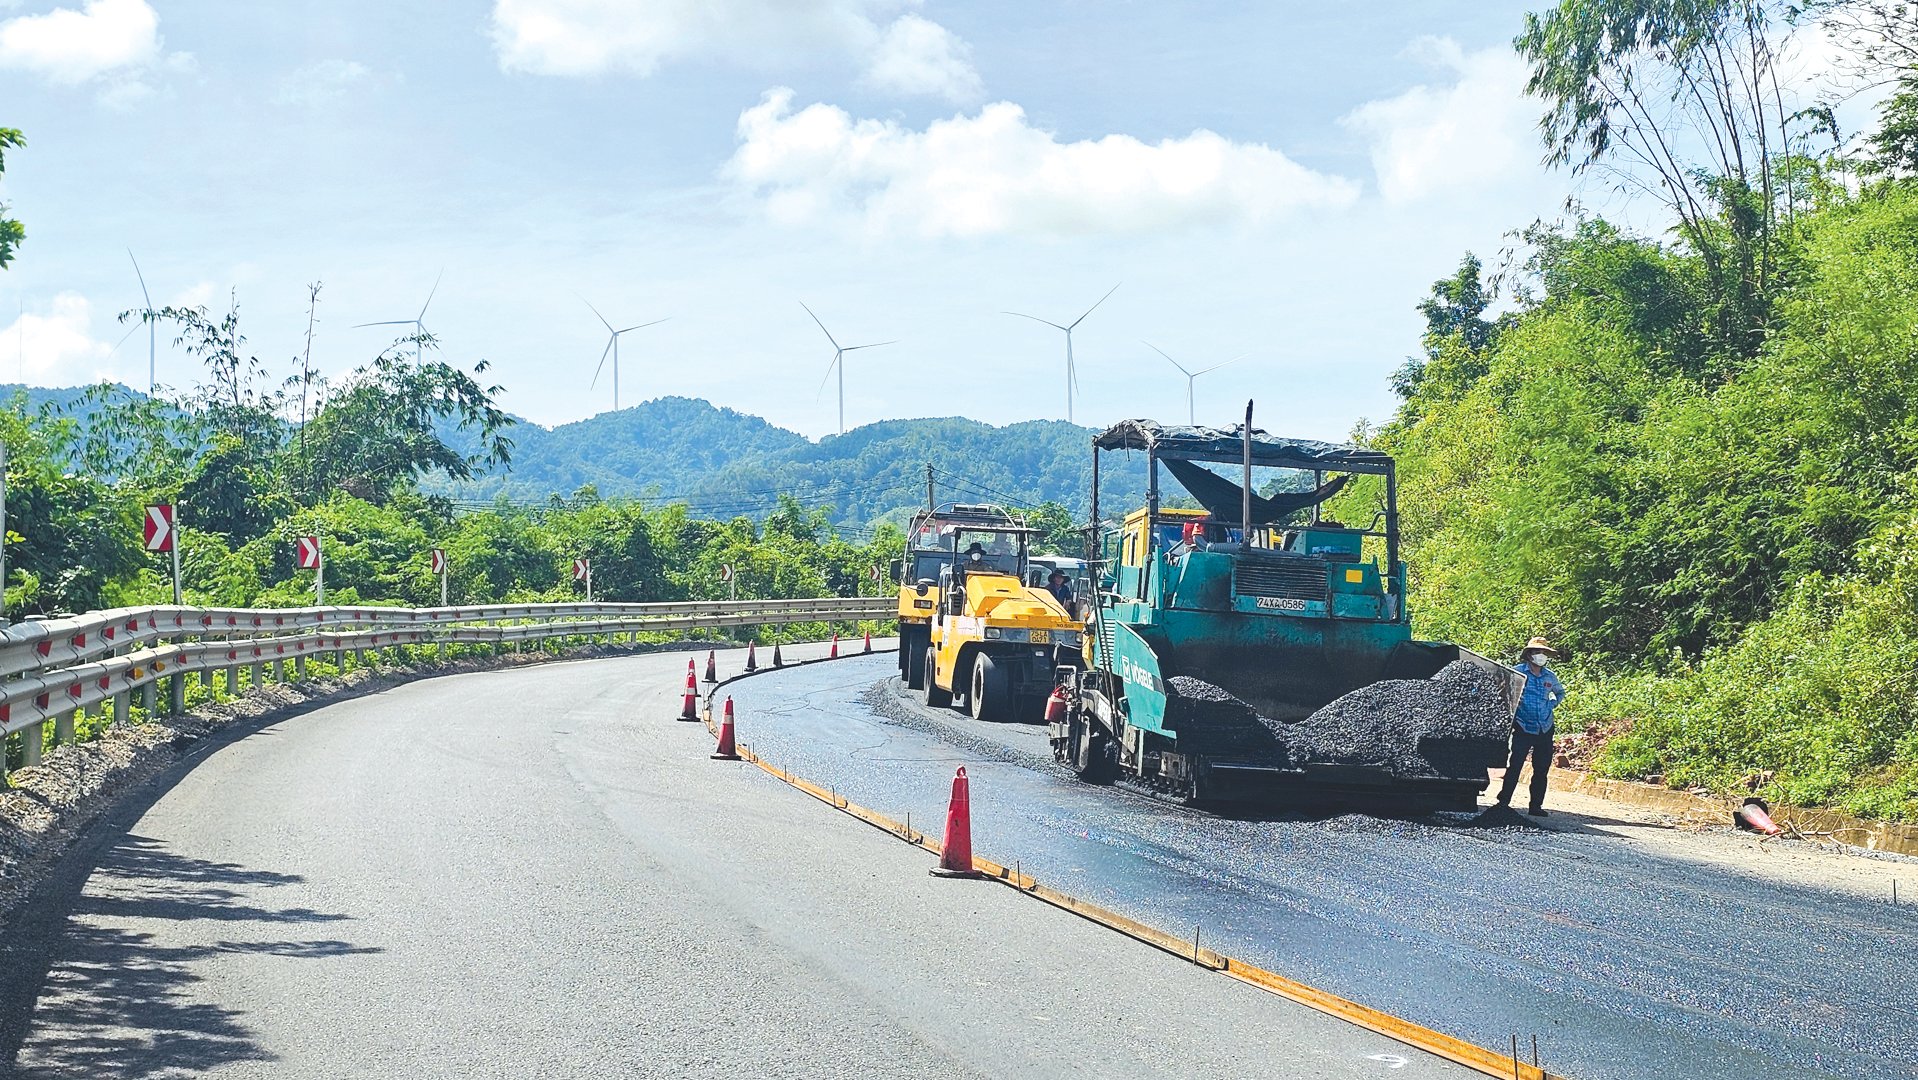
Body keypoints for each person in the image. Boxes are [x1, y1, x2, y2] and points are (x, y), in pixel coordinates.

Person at [1496, 636, 1567, 816]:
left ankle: (1536, 806)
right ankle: (1503, 802)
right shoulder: (1518, 673)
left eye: (1543, 652)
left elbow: (1559, 693)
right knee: (1515, 765)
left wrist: (1551, 705)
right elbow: (1505, 693)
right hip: (1523, 726)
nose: (1540, 656)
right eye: (1537, 652)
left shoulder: (1550, 676)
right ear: (1529, 655)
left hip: (1545, 727)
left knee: (1541, 768)